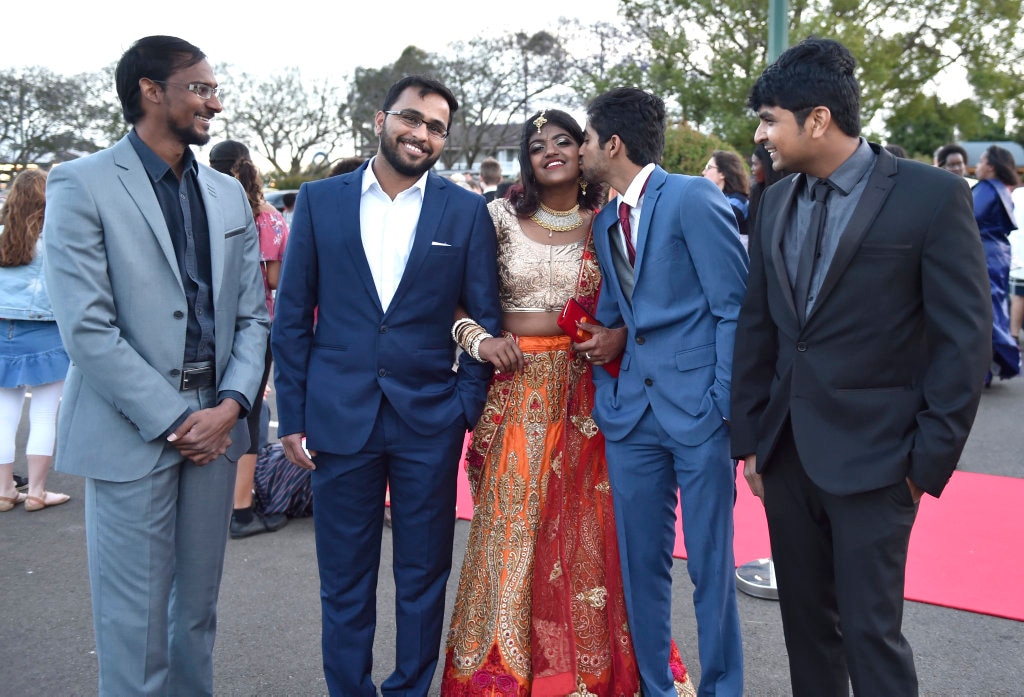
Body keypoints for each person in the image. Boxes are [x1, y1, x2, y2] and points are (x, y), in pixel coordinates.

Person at [732, 37, 992, 697]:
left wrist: (923, 463)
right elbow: (758, 327)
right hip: (787, 458)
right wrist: (753, 444)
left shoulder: (931, 196)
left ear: (817, 119)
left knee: (872, 635)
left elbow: (963, 342)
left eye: (768, 119)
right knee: (806, 633)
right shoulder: (774, 200)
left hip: (881, 465)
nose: (760, 134)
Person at [43, 35, 269, 696]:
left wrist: (229, 405)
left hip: (220, 426)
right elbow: (86, 327)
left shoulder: (228, 195)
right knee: (133, 627)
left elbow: (254, 316)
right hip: (132, 427)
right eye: (200, 88)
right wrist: (178, 419)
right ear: (150, 91)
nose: (214, 103)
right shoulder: (80, 183)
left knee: (195, 614)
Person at [441, 109, 695, 696]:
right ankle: (501, 674)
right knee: (511, 531)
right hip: (516, 390)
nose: (550, 150)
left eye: (564, 140)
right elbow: (451, 300)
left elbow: (648, 304)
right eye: (536, 145)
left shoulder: (609, 221)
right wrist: (480, 342)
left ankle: (593, 674)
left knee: (592, 534)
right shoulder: (496, 217)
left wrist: (621, 339)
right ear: (525, 161)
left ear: (586, 151)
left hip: (589, 391)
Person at [271, 75, 501, 696]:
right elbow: (292, 317)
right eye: (411, 119)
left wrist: (466, 403)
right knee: (343, 575)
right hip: (339, 418)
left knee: (424, 573)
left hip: (430, 420)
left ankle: (408, 689)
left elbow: (481, 315)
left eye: (435, 127)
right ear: (381, 119)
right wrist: (291, 415)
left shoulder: (465, 209)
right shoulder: (321, 201)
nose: (421, 134)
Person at [578, 87, 748, 696]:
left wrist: (721, 405)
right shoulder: (603, 221)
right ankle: (656, 687)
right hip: (630, 420)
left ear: (613, 144)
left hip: (699, 413)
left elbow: (734, 308)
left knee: (710, 568)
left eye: (589, 139)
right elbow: (612, 318)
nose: (582, 150)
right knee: (639, 569)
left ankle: (722, 688)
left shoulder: (693, 196)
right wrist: (606, 384)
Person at [208, 139, 291, 537]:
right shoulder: (267, 219)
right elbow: (274, 280)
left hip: (200, 325)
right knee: (249, 414)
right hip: (252, 328)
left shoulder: (197, 204)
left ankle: (210, 502)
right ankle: (241, 510)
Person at [0, 169, 70, 512]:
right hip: (47, 333)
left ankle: (4, 490)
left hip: (1, 333)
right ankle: (38, 492)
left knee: (4, 414)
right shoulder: (56, 239)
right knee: (43, 415)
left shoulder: (1, 237)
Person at [973, 144, 1021, 381]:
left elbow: (967, 218)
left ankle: (982, 372)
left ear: (990, 167)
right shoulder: (1003, 190)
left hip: (982, 255)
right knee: (993, 310)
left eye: (981, 161)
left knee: (981, 313)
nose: (978, 166)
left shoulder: (986, 190)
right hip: (998, 255)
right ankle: (989, 369)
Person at [703, 149, 751, 238]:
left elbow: (716, 224)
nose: (703, 172)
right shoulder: (715, 199)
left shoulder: (739, 201)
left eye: (708, 168)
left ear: (722, 173)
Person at [748, 142, 786, 237]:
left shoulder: (787, 190)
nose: (752, 169)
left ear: (766, 165)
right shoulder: (756, 191)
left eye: (755, 164)